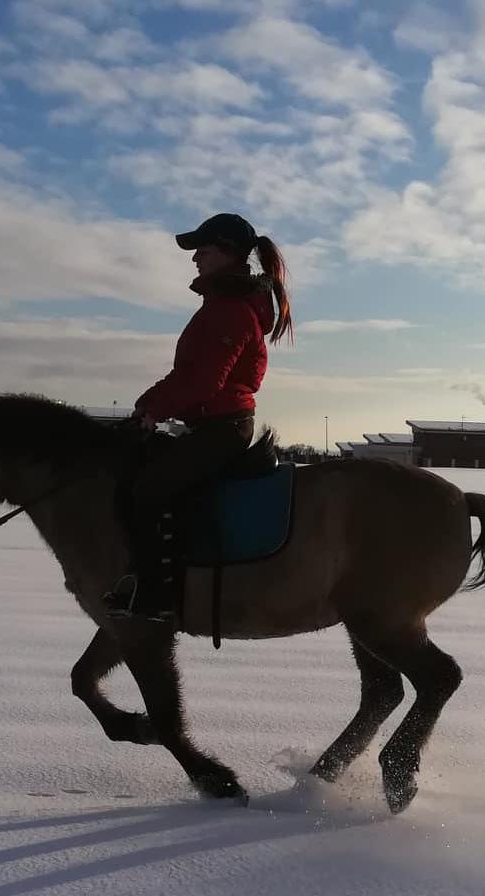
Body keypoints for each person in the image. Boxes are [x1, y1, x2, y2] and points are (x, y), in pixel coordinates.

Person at [103, 212, 294, 621]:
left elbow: (205, 382)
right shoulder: (221, 306)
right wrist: (146, 405)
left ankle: (156, 595)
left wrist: (154, 411)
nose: (195, 259)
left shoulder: (229, 311)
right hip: (214, 424)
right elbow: (185, 376)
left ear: (227, 253)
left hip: (223, 429)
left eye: (202, 251)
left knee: (149, 489)